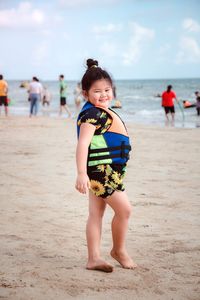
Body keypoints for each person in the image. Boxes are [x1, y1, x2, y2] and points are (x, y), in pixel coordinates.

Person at [75, 58, 137, 273]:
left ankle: (93, 258)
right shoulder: (93, 114)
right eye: (97, 91)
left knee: (96, 214)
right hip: (101, 172)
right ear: (86, 94)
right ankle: (118, 250)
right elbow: (83, 144)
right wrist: (81, 173)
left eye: (107, 90)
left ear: (113, 90)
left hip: (107, 171)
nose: (103, 95)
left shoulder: (101, 112)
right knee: (125, 210)